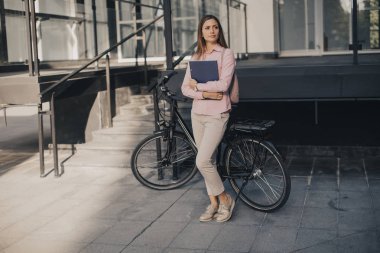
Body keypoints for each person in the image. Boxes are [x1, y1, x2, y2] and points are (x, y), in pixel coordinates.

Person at [181, 15, 236, 222]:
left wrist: (200, 86)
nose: (212, 31)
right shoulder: (196, 57)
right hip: (198, 114)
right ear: (201, 32)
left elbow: (223, 86)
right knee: (209, 161)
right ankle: (214, 203)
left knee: (202, 160)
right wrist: (204, 94)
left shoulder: (226, 54)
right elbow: (185, 88)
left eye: (215, 27)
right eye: (207, 28)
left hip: (217, 114)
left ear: (219, 31)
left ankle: (225, 199)